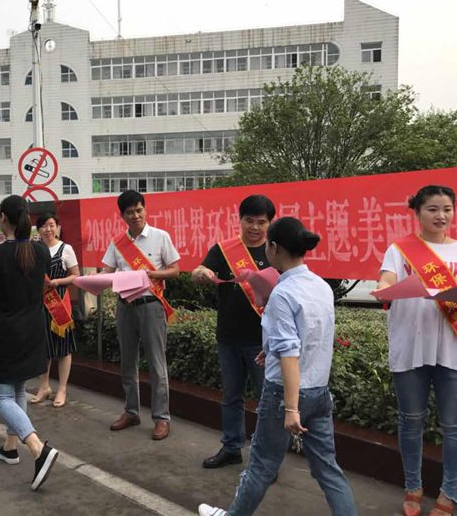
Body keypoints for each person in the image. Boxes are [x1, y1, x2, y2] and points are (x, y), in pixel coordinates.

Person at [199, 217, 356, 516]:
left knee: (260, 466)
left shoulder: (282, 294)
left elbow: (290, 353)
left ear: (274, 248)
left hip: (285, 394)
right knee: (328, 470)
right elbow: (312, 336)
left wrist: (291, 408)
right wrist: (270, 350)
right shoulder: (321, 286)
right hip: (319, 391)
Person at [376, 185, 457, 516]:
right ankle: (413, 486)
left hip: (453, 349)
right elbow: (385, 282)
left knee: (455, 425)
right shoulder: (400, 250)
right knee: (411, 421)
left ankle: (449, 494)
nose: (441, 216)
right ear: (417, 212)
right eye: (433, 209)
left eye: (447, 209)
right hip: (411, 346)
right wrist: (385, 289)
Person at [0, 195, 59, 492]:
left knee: (1, 398)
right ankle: (10, 447)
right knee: (18, 388)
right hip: (33, 331)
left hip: (5, 333)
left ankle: (37, 448)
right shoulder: (41, 250)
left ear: (3, 219)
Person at [192, 195, 275, 468]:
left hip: (264, 342)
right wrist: (201, 272)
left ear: (270, 223)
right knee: (231, 397)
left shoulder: (275, 252)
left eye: (261, 222)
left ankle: (267, 458)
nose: (255, 227)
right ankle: (231, 447)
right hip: (228, 337)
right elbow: (199, 271)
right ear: (239, 220)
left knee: (267, 401)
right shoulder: (224, 250)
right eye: (249, 221)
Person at [101, 190, 180, 441]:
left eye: (139, 210)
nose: (135, 215)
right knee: (127, 363)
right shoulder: (117, 243)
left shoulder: (160, 237)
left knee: (156, 364)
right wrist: (93, 279)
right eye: (130, 212)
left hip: (151, 306)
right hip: (125, 306)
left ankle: (162, 418)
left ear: (145, 210)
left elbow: (175, 270)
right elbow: (107, 272)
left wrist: (152, 275)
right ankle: (131, 412)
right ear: (122, 215)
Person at [31, 213, 80, 409]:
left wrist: (59, 281)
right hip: (39, 302)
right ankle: (44, 386)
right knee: (43, 346)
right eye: (44, 226)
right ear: (38, 229)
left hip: (59, 302)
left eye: (51, 225)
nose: (48, 229)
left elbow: (75, 275)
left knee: (63, 347)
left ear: (57, 227)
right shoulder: (34, 249)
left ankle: (62, 388)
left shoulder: (66, 249)